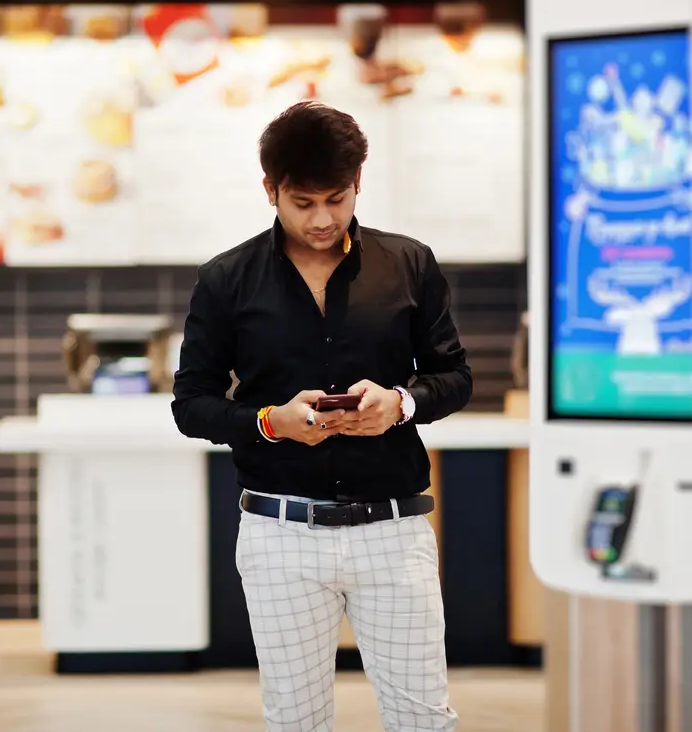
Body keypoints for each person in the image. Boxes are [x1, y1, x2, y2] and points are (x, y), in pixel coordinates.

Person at [171, 100, 473, 732]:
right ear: (270, 190)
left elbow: (455, 377)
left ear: (358, 183)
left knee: (425, 719)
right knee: (295, 721)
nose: (322, 218)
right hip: (280, 533)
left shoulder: (409, 263)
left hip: (393, 533)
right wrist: (268, 422)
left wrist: (401, 403)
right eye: (302, 202)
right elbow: (191, 404)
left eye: (336, 199)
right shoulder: (226, 279)